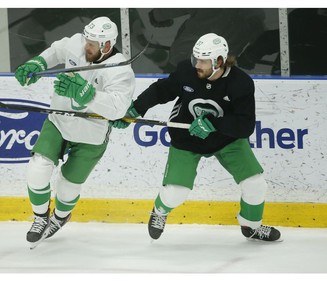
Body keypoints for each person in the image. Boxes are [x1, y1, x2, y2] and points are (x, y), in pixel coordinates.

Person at [112, 33, 282, 242]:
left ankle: (251, 227)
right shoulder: (187, 71)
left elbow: (245, 125)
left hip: (226, 140)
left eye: (203, 60)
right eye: (196, 59)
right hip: (187, 138)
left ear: (219, 62)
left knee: (256, 184)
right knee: (176, 192)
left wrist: (214, 124)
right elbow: (162, 89)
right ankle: (160, 210)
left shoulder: (241, 83)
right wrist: (135, 109)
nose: (196, 65)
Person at [14, 16, 136, 248]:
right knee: (38, 168)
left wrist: (89, 95)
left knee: (68, 186)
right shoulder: (79, 44)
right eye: (86, 40)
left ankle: (60, 217)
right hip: (59, 121)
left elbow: (118, 109)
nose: (86, 46)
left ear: (107, 46)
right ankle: (40, 217)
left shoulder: (121, 71)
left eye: (92, 44)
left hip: (91, 133)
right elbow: (58, 50)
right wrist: (38, 63)